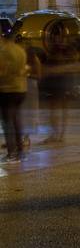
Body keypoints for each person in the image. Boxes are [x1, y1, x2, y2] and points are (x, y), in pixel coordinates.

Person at [0, 19, 29, 162]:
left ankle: (11, 153)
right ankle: (20, 150)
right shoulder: (19, 49)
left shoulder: (3, 51)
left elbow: (2, 71)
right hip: (21, 88)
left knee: (7, 121)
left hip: (7, 89)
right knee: (16, 119)